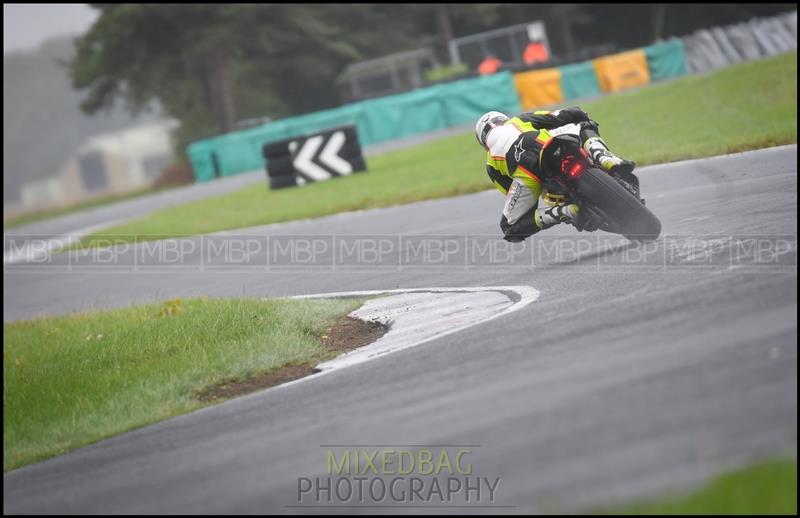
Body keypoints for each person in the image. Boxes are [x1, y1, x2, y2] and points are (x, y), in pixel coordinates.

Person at [475, 108, 638, 242]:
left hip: (529, 175)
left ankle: (566, 212)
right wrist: (579, 113)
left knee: (509, 227)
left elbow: (509, 191)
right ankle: (606, 158)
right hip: (546, 145)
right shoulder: (518, 120)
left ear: (484, 143)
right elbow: (557, 116)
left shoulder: (491, 163)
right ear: (503, 120)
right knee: (583, 123)